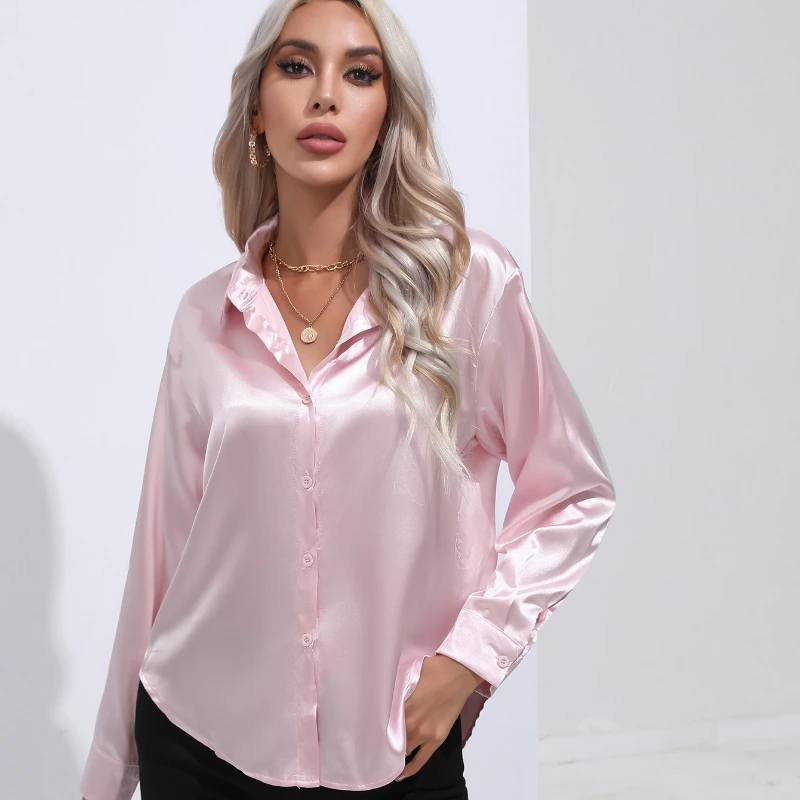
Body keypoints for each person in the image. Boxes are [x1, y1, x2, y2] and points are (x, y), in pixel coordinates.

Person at [79, 0, 617, 798]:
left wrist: (469, 657)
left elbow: (572, 493)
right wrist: (109, 772)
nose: (326, 94)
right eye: (297, 66)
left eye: (360, 74)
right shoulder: (205, 316)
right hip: (199, 742)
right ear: (256, 110)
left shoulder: (468, 288)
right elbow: (161, 556)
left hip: (394, 752)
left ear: (387, 115)